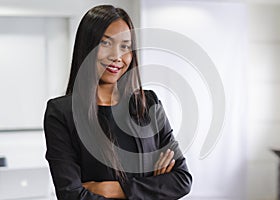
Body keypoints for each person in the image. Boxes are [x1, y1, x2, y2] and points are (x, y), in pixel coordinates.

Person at [43, 5, 192, 200]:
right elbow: (71, 195)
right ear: (86, 47)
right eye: (105, 43)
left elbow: (181, 180)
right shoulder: (62, 113)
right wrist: (152, 187)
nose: (116, 56)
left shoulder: (148, 103)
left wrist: (111, 190)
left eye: (125, 46)